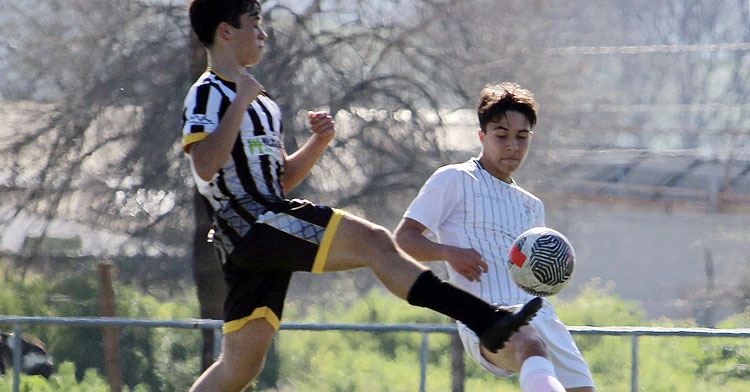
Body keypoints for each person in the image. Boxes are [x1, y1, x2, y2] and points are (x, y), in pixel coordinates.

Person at [182, 2, 542, 391]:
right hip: (251, 226)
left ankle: (486, 321)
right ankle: (486, 320)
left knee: (240, 366)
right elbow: (204, 164)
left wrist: (319, 142)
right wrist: (239, 102)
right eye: (255, 23)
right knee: (374, 241)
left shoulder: (263, 102)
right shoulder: (209, 93)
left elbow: (279, 180)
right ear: (225, 32)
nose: (263, 33)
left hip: (263, 230)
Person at [394, 82, 596, 392]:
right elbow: (403, 241)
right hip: (488, 319)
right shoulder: (454, 179)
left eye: (522, 137)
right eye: (501, 135)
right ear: (482, 136)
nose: (512, 146)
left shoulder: (531, 205)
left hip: (539, 314)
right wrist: (449, 252)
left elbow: (532, 275)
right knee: (531, 345)